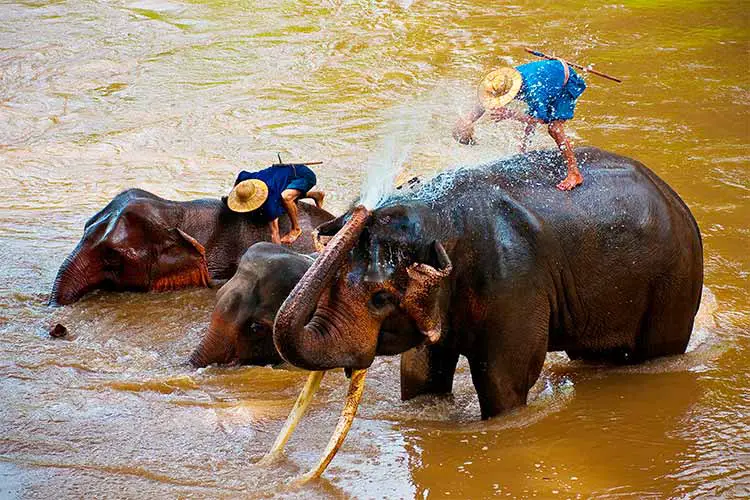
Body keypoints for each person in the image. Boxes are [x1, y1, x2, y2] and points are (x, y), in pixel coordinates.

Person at [453, 59, 587, 190]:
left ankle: (574, 173)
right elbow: (486, 101)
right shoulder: (505, 80)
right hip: (547, 75)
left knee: (554, 128)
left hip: (564, 81)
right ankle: (523, 147)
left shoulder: (534, 92)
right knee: (534, 109)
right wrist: (469, 120)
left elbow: (540, 120)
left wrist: (510, 114)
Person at [225, 163, 324, 244]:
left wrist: (277, 254)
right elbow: (241, 175)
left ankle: (296, 229)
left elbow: (274, 232)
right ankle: (315, 195)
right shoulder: (246, 180)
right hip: (284, 173)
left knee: (286, 197)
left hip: (303, 175)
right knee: (281, 190)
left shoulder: (269, 202)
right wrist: (231, 196)